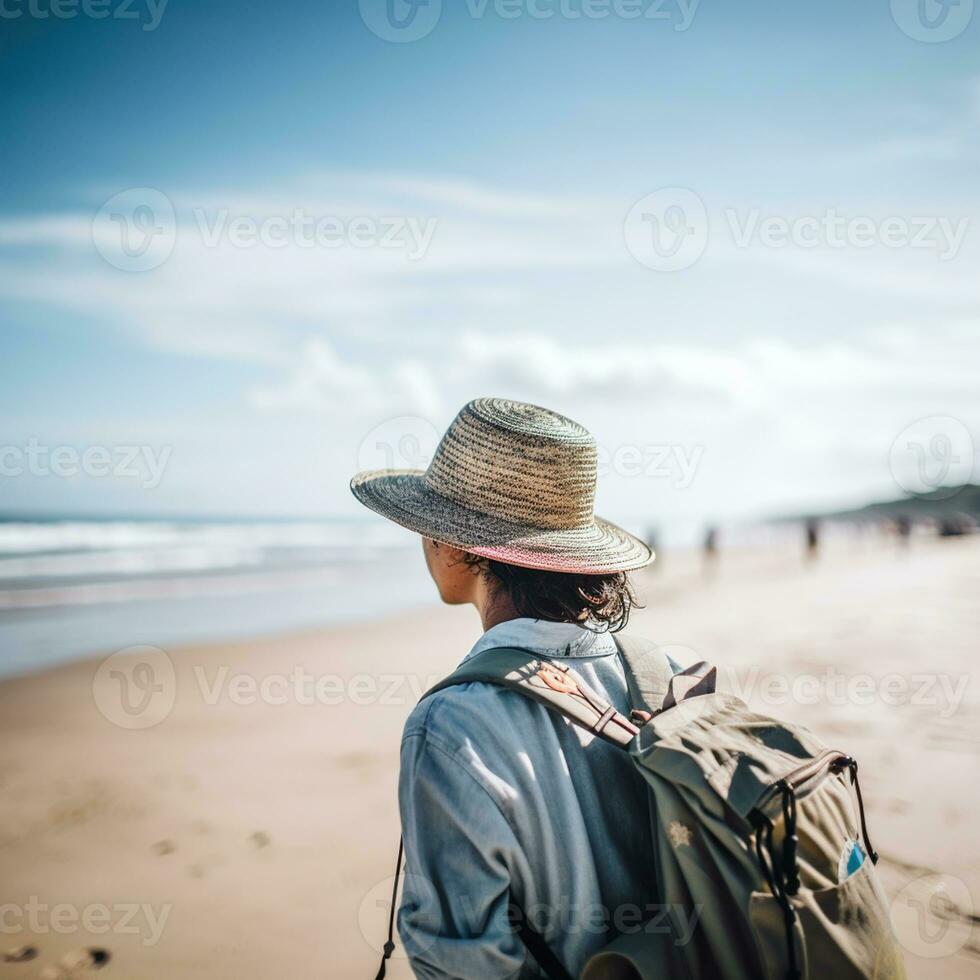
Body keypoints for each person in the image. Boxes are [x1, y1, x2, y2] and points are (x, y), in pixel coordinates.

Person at [351, 398, 660, 979]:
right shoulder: (657, 673)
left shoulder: (451, 728)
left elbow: (462, 965)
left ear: (453, 545)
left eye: (428, 526)